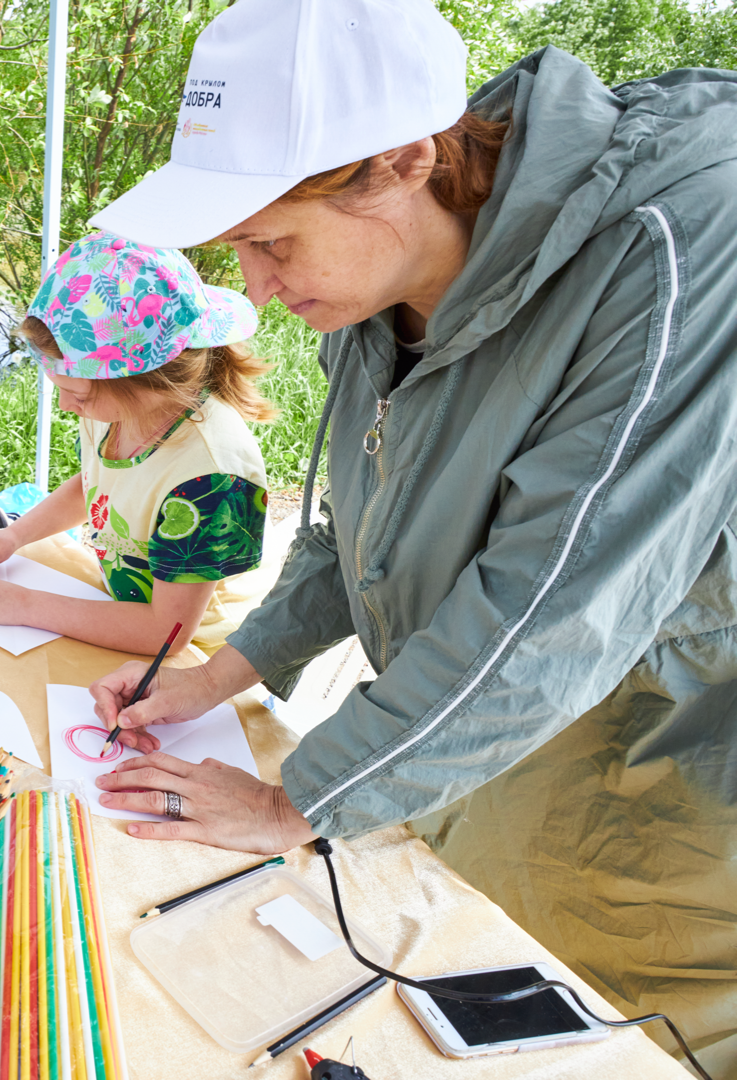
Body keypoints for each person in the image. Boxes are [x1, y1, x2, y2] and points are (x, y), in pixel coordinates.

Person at [85, 0, 737, 1069]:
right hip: (476, 754)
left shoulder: (677, 241)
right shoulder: (378, 277)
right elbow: (360, 526)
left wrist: (300, 797)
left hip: (663, 793)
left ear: (401, 161)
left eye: (269, 240)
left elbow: (558, 601)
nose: (253, 284)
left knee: (620, 1043)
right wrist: (215, 676)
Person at [0, 233, 273, 656]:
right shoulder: (114, 408)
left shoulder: (214, 476)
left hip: (199, 658)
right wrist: (16, 535)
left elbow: (165, 633)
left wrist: (23, 604)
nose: (65, 405)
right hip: (119, 615)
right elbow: (96, 485)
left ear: (149, 380)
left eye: (79, 395)